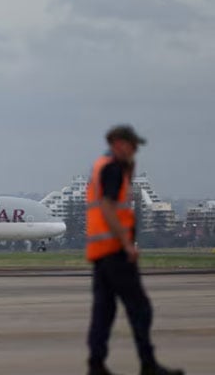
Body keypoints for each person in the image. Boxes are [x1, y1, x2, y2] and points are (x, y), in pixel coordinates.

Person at [85, 125, 184, 375]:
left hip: (100, 252)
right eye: (132, 144)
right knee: (140, 307)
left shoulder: (103, 166)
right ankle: (147, 364)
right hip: (115, 251)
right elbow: (108, 206)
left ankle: (96, 365)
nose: (136, 150)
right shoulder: (113, 169)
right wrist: (127, 243)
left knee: (104, 311)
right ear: (118, 143)